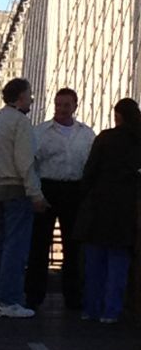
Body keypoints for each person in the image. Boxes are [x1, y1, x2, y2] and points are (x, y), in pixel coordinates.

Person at [0, 77, 46, 318]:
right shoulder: (21, 123)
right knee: (16, 248)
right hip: (17, 190)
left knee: (0, 246)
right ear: (20, 97)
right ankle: (9, 300)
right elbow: (25, 163)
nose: (31, 99)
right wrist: (35, 194)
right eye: (29, 95)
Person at [25, 88, 95, 310]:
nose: (62, 109)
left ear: (75, 106)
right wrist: (35, 193)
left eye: (66, 105)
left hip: (75, 190)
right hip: (48, 188)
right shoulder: (40, 132)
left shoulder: (87, 134)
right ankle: (34, 295)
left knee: (73, 245)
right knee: (39, 244)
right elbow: (31, 166)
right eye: (58, 104)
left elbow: (91, 166)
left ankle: (73, 296)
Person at [75, 98, 141, 323]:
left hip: (99, 207)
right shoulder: (138, 140)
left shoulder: (105, 138)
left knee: (95, 262)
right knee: (118, 263)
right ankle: (112, 310)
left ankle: (91, 308)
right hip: (126, 209)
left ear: (118, 116)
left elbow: (89, 172)